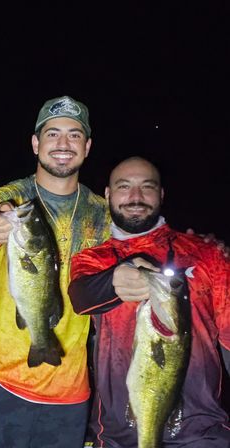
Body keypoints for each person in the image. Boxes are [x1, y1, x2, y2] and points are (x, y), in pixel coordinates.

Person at [0, 95, 110, 447]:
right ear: (35, 143)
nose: (63, 144)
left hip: (68, 388)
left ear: (86, 146)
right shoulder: (9, 197)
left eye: (74, 135)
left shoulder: (101, 213)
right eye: (53, 133)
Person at [68, 156, 230, 447]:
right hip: (117, 434)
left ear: (161, 194)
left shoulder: (207, 254)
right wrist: (113, 282)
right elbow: (81, 297)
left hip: (202, 432)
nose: (135, 197)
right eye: (124, 186)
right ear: (108, 194)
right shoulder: (92, 259)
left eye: (147, 187)